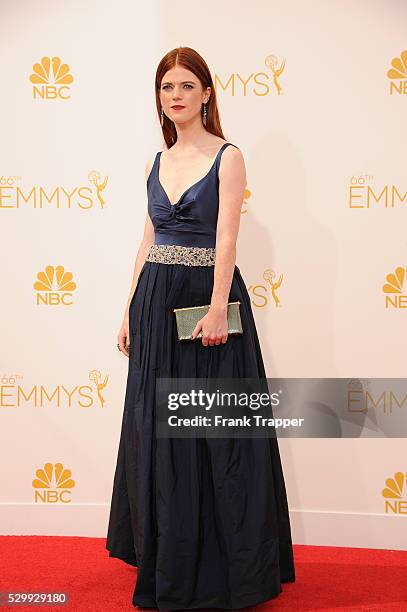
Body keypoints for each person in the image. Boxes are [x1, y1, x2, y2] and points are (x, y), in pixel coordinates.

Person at [106, 46, 296, 610]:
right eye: (168, 87)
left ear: (207, 93)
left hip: (205, 304)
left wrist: (218, 306)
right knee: (158, 431)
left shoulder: (228, 157)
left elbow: (227, 240)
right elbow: (147, 240)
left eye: (188, 85)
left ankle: (223, 568)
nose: (177, 96)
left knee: (210, 432)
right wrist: (128, 308)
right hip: (155, 301)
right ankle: (170, 558)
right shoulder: (155, 162)